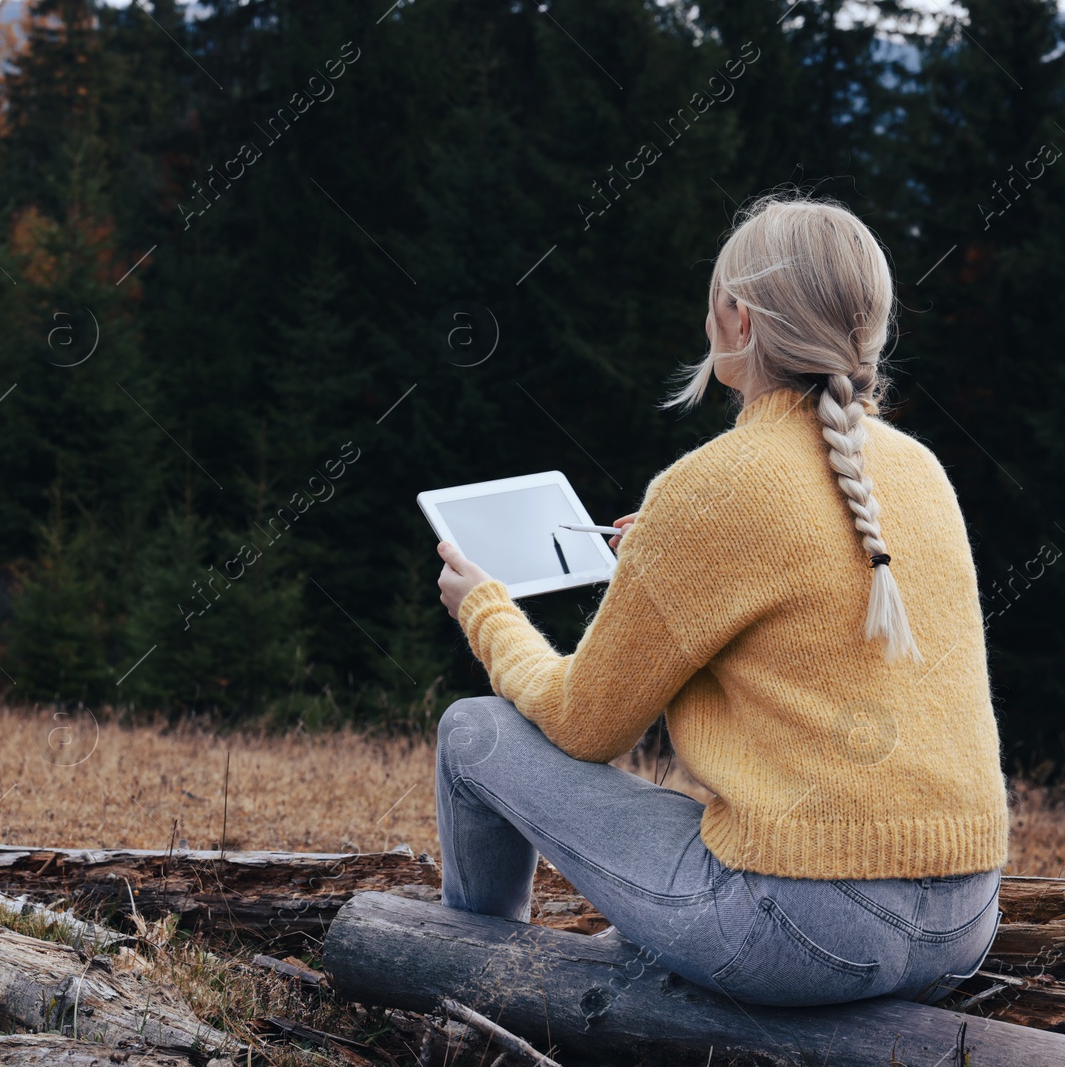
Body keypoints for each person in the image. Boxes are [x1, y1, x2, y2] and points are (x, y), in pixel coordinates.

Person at [432, 192, 1008, 1007]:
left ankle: (468, 986)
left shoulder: (710, 490)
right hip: (966, 921)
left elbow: (585, 724)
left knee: (472, 733)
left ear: (738, 319)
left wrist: (485, 609)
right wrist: (666, 563)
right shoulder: (923, 471)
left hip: (802, 929)